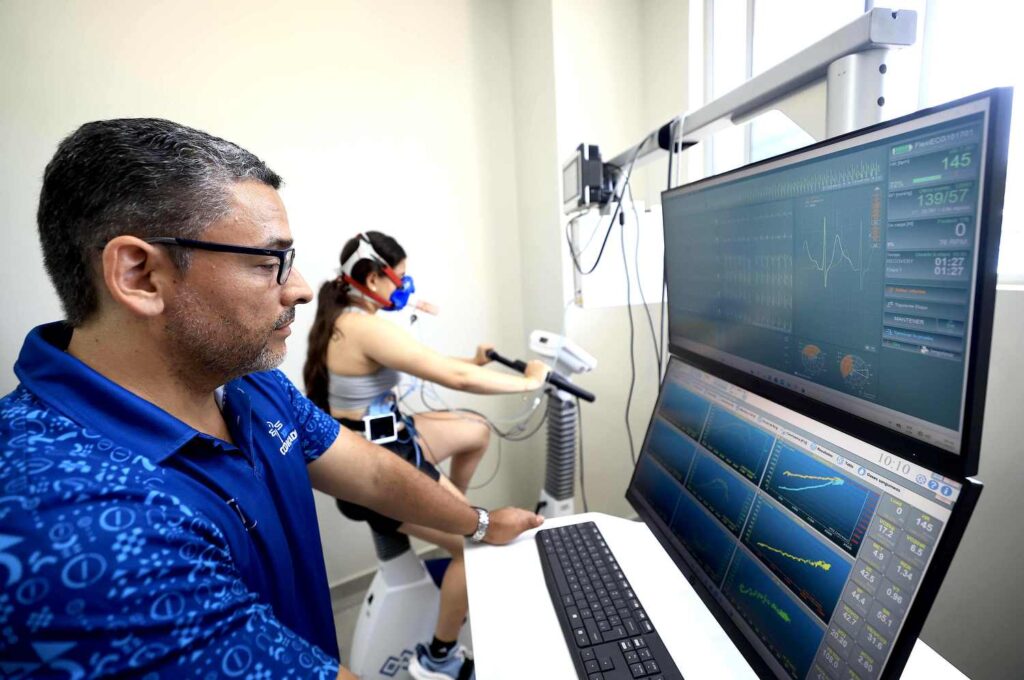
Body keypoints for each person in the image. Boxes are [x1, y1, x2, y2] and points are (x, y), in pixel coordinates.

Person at [0, 118, 543, 679]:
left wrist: (480, 523)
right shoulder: (79, 525)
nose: (301, 288)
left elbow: (372, 473)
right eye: (267, 262)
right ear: (140, 275)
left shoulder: (247, 382)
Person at [303, 231, 549, 679]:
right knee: (476, 547)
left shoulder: (348, 317)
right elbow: (456, 380)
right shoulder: (363, 327)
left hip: (384, 434)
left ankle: (446, 508)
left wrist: (474, 360)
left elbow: (436, 364)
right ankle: (438, 658)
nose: (406, 287)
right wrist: (530, 382)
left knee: (475, 431)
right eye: (402, 278)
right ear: (374, 278)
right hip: (376, 458)